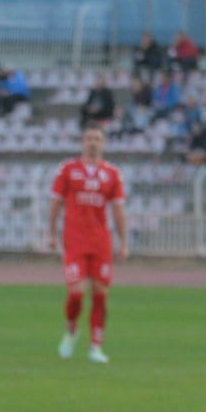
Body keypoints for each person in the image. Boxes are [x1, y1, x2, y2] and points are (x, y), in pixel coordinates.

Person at [48, 125, 129, 364]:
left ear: (103, 144)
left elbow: (118, 209)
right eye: (89, 138)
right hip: (74, 240)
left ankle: (96, 345)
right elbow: (56, 203)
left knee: (101, 294)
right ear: (82, 143)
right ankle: (71, 329)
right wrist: (51, 233)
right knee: (76, 293)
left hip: (100, 242)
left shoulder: (112, 174)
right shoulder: (68, 170)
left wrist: (123, 242)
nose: (93, 143)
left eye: (97, 139)